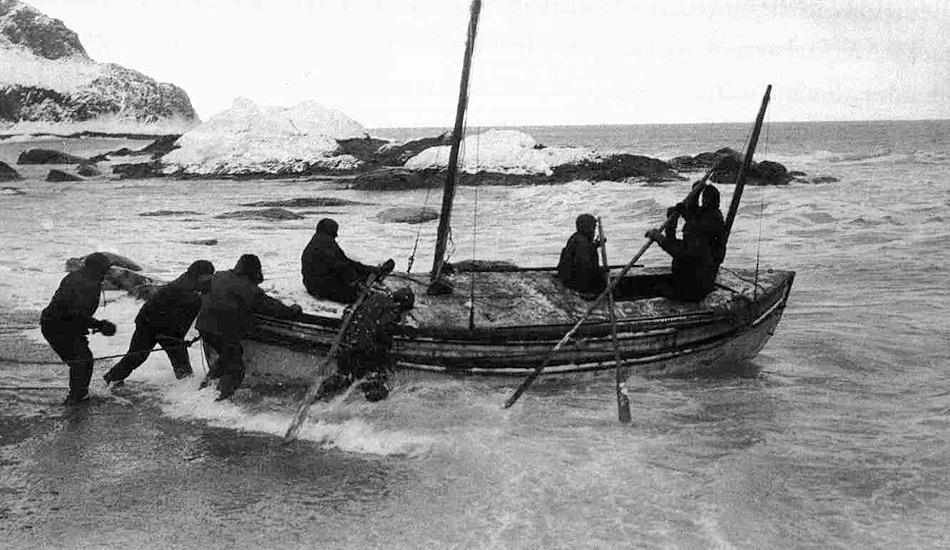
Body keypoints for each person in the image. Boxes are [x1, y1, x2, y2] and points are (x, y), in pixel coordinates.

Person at [196, 254, 302, 401]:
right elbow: (273, 308)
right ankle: (216, 402)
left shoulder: (219, 276)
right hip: (222, 330)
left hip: (203, 326)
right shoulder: (250, 289)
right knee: (236, 369)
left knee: (227, 357)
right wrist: (293, 310)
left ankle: (201, 392)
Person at [102, 260, 215, 386]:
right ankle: (111, 378)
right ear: (199, 275)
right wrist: (182, 339)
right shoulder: (186, 290)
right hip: (149, 324)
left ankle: (187, 389)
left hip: (168, 326)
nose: (211, 277)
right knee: (137, 356)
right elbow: (184, 318)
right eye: (209, 275)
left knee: (180, 362)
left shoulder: (195, 284)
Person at [40, 252, 117, 405]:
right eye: (104, 270)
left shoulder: (79, 277)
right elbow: (74, 314)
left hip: (58, 324)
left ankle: (79, 394)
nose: (106, 273)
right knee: (82, 361)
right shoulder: (87, 284)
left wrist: (94, 325)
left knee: (83, 360)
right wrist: (100, 325)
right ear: (96, 269)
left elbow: (74, 313)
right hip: (58, 326)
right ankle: (76, 399)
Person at [317, 287, 415, 402]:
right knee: (377, 382)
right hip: (365, 353)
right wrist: (403, 331)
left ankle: (320, 395)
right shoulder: (393, 309)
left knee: (343, 375)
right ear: (402, 305)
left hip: (347, 345)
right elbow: (382, 330)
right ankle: (367, 408)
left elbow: (349, 312)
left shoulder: (371, 297)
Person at [645, 184, 726, 301]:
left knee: (653, 288)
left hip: (693, 288)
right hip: (689, 279)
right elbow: (693, 212)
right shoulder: (707, 219)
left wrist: (660, 238)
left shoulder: (707, 225)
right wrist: (671, 226)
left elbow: (681, 253)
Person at [301, 218, 395, 303]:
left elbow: (343, 262)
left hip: (312, 285)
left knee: (353, 270)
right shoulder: (327, 244)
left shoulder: (318, 241)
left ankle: (374, 271)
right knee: (367, 296)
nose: (336, 235)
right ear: (330, 230)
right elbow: (343, 267)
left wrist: (367, 269)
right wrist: (357, 282)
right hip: (322, 288)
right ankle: (376, 272)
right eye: (335, 231)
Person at [556, 213, 604, 294]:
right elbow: (584, 266)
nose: (594, 231)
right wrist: (600, 270)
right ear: (587, 228)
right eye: (593, 228)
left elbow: (585, 253)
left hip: (569, 280)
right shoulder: (581, 242)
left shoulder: (576, 237)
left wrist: (595, 246)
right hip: (577, 283)